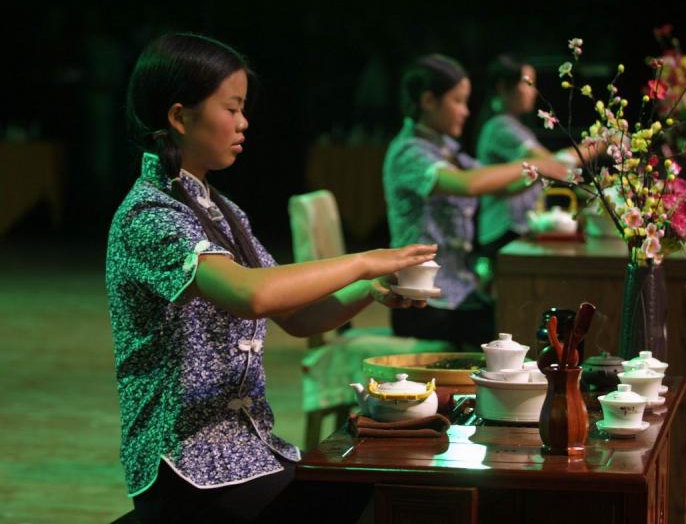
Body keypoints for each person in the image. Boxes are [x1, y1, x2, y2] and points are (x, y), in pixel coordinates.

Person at [106, 33, 436, 523]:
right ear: (179, 117)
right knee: (374, 501)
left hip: (250, 448)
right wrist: (366, 261)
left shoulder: (221, 209)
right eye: (232, 108)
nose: (244, 122)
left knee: (385, 487)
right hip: (187, 461)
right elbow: (252, 294)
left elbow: (300, 316)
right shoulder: (150, 214)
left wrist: (370, 291)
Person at [382, 54, 571, 350]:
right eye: (458, 101)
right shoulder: (409, 151)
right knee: (517, 330)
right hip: (424, 303)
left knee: (525, 320)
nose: (466, 111)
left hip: (455, 293)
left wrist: (539, 171)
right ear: (429, 100)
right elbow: (468, 185)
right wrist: (534, 164)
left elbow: (493, 186)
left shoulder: (446, 149)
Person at [476, 54, 600, 256]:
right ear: (502, 86)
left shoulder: (511, 125)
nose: (533, 91)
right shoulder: (500, 127)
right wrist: (598, 144)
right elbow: (552, 164)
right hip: (505, 231)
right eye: (527, 83)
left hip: (513, 229)